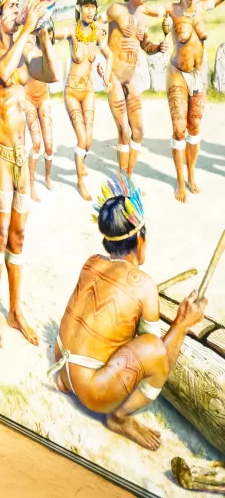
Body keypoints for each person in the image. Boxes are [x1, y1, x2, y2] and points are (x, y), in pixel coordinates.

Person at [48, 174, 207, 450]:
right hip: (91, 392)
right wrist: (182, 323)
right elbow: (159, 357)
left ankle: (77, 385)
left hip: (62, 368)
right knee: (151, 347)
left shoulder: (92, 262)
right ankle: (119, 417)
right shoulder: (143, 285)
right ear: (140, 240)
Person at [0, 0, 59, 347]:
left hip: (22, 158)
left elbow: (52, 73)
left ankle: (15, 310)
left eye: (19, 5)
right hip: (0, 156)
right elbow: (2, 69)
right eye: (12, 7)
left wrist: (42, 33)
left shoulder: (25, 51)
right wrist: (27, 28)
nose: (19, 9)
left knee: (19, 235)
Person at [159, 0, 225, 202]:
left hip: (198, 73)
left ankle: (191, 174)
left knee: (195, 127)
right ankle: (179, 181)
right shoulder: (172, 8)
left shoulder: (202, 6)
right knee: (179, 128)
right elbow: (149, 11)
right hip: (178, 73)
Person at [51, 0, 116, 200]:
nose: (90, 10)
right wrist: (44, 28)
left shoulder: (98, 33)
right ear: (79, 8)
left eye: (93, 6)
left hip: (88, 91)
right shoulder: (72, 30)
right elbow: (52, 34)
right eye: (85, 6)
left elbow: (110, 56)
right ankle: (80, 181)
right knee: (81, 138)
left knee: (88, 141)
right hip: (71, 92)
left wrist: (106, 78)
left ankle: (81, 162)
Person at [104, 0, 168, 178]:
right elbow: (94, 26)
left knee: (138, 131)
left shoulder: (142, 15)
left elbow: (146, 46)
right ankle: (124, 180)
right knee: (125, 132)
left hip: (130, 78)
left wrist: (158, 47)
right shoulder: (116, 9)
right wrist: (102, 51)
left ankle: (128, 176)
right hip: (114, 76)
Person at [21, 34, 55, 200]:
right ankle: (32, 184)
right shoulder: (27, 43)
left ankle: (47, 176)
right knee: (36, 143)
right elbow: (28, 54)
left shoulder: (46, 46)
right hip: (28, 99)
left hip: (43, 98)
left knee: (48, 145)